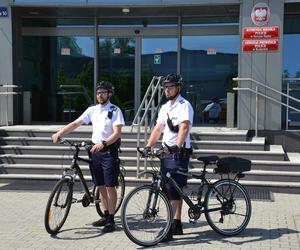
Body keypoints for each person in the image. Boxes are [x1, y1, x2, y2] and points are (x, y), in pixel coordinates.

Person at [51, 81, 125, 233]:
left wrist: (104, 144)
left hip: (109, 151)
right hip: (94, 150)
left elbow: (117, 133)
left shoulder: (115, 110)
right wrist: (60, 133)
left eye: (103, 92)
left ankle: (111, 220)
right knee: (101, 186)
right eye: (98, 92)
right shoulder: (92, 110)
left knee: (110, 186)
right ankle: (105, 215)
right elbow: (76, 123)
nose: (100, 95)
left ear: (109, 94)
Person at [144, 74, 194, 241]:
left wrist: (177, 147)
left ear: (178, 88)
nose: (167, 89)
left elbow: (184, 127)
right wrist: (148, 145)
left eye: (171, 87)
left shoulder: (184, 105)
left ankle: (169, 230)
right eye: (165, 87)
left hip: (178, 153)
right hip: (166, 153)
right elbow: (158, 128)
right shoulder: (165, 107)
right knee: (171, 190)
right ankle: (177, 224)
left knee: (173, 189)